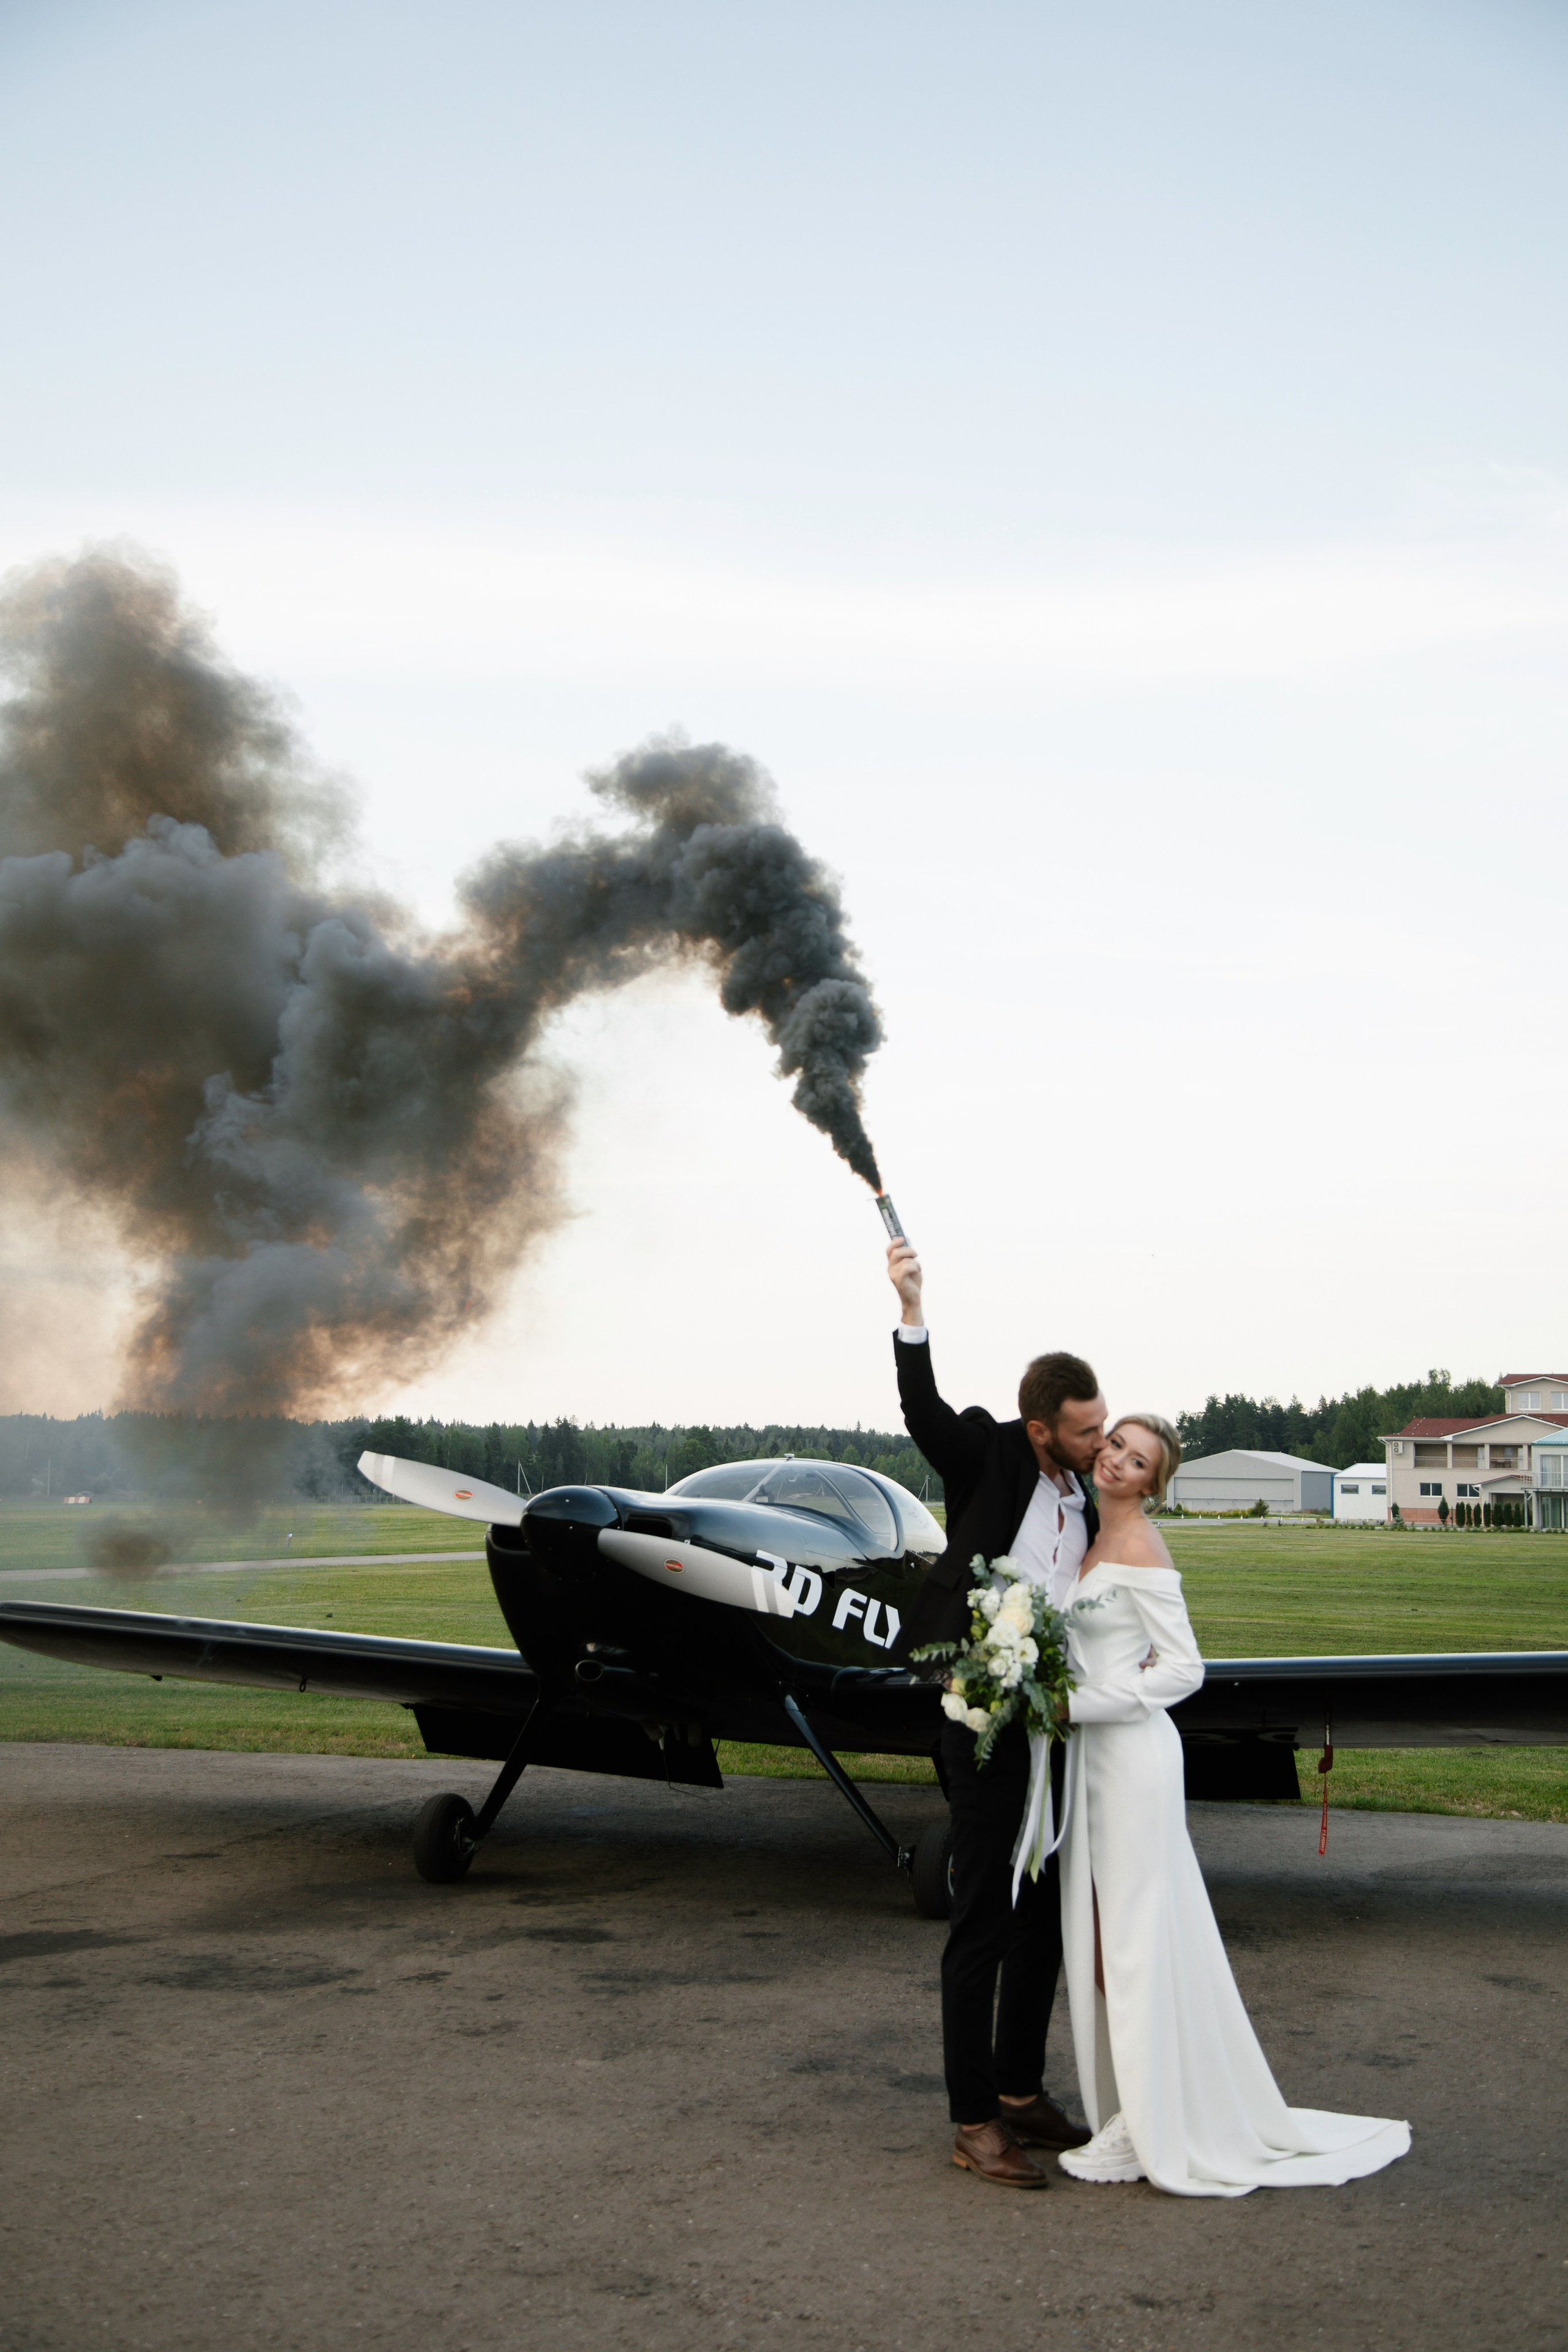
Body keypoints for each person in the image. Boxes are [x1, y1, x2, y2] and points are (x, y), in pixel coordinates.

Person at [1054, 1411, 1411, 2196]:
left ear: (1154, 1480)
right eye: (1114, 1444)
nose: (1115, 1461)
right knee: (1103, 1937)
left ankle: (1147, 2128)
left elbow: (1183, 1671)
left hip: (1132, 1761)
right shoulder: (1085, 1536)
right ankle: (1137, 2108)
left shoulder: (1142, 1544)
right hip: (1090, 1762)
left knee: (1135, 1940)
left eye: (1136, 1459)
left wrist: (1084, 1706)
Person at [886, 1234, 1098, 2189]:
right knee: (983, 1920)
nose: (1098, 1443)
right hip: (979, 1717)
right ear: (1038, 1422)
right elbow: (925, 1413)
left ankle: (1019, 2090)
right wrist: (911, 1309)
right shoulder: (992, 1452)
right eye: (1084, 1431)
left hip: (1054, 1724)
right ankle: (973, 2120)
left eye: (1101, 1429)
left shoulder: (1082, 1485)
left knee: (1044, 1912)